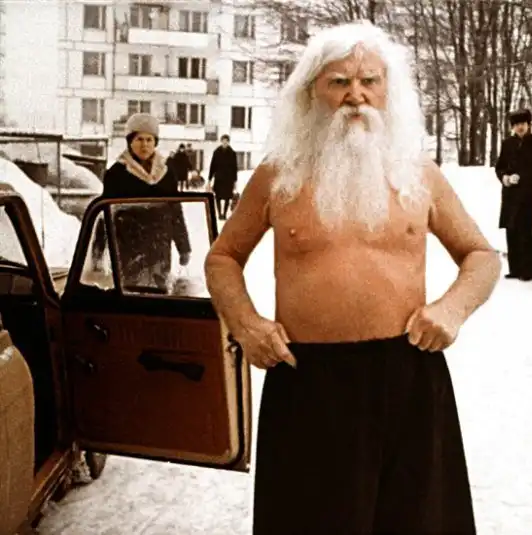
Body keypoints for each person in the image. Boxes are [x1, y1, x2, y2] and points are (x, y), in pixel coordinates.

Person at [204, 21, 501, 535]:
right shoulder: (278, 176)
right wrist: (247, 325)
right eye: (339, 81)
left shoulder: (419, 174)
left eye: (369, 81)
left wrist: (451, 310)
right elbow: (222, 258)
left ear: (390, 91)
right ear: (311, 93)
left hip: (409, 377)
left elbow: (482, 256)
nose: (355, 95)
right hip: (309, 382)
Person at [92, 113, 191, 291]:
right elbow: (106, 213)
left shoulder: (166, 173)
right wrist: (98, 250)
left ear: (155, 142)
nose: (144, 145)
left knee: (158, 294)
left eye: (149, 139)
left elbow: (175, 211)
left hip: (159, 248)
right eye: (139, 139)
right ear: (130, 141)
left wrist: (183, 247)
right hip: (128, 248)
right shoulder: (117, 173)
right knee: (130, 295)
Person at [495, 109, 532, 281]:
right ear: (512, 127)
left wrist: (522, 177)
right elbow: (500, 166)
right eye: (516, 124)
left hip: (528, 194)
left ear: (529, 124)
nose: (520, 127)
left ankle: (528, 270)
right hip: (510, 194)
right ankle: (515, 269)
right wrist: (505, 177)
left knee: (525, 231)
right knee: (511, 230)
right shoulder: (507, 143)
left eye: (523, 124)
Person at [207, 134, 239, 220]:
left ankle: (224, 214)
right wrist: (209, 179)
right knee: (218, 196)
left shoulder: (232, 153)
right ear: (221, 141)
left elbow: (235, 168)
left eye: (226, 141)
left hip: (228, 179)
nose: (225, 143)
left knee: (227, 197)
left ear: (228, 142)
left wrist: (235, 181)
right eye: (223, 141)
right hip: (219, 178)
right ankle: (219, 214)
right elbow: (212, 166)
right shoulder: (216, 152)